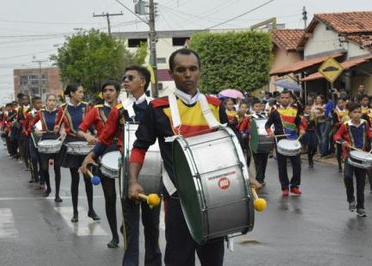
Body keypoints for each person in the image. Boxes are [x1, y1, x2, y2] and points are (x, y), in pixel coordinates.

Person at [127, 48, 250, 266]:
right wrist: (133, 181)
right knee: (178, 260)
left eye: (193, 69)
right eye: (181, 70)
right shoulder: (158, 108)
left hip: (215, 197)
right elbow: (140, 146)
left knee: (213, 260)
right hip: (177, 200)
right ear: (172, 74)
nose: (187, 74)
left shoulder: (214, 105)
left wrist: (249, 178)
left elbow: (232, 148)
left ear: (200, 72)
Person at [81, 66, 162, 266]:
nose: (125, 81)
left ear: (142, 82)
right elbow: (105, 136)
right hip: (128, 171)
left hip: (154, 170)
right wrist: (90, 157)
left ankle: (153, 262)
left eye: (130, 78)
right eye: (124, 77)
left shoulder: (157, 106)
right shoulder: (120, 110)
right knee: (130, 225)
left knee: (152, 225)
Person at [78, 80, 121, 248]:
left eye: (111, 90)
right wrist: (87, 136)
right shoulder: (96, 110)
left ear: (117, 92)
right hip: (103, 153)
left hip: (123, 152)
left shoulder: (124, 109)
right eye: (105, 91)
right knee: (110, 197)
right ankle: (115, 236)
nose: (108, 93)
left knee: (127, 198)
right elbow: (81, 128)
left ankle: (125, 226)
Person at [55, 83, 100, 223]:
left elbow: (91, 124)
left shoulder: (86, 107)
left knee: (88, 178)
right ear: (72, 94)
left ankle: (91, 210)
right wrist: (57, 127)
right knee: (75, 179)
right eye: (80, 92)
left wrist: (94, 132)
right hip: (72, 145)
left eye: (82, 92)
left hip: (86, 144)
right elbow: (58, 125)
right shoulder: (62, 108)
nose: (82, 94)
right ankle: (75, 212)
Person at [334, 102, 372, 217]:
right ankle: (351, 199)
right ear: (350, 114)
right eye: (355, 112)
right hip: (349, 156)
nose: (357, 114)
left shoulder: (365, 124)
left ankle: (360, 207)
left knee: (361, 184)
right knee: (347, 177)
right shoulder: (345, 125)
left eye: (359, 112)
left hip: (362, 157)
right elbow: (336, 136)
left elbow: (370, 135)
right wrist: (343, 141)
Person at [265, 89, 305, 196]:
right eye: (282, 98)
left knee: (297, 165)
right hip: (280, 141)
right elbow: (267, 125)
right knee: (282, 166)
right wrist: (270, 132)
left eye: (287, 98)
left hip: (293, 141)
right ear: (279, 99)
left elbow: (299, 124)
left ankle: (295, 186)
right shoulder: (275, 111)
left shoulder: (294, 110)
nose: (285, 100)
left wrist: (301, 129)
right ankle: (285, 187)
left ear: (290, 99)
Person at [30, 94, 63, 202]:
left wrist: (62, 130)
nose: (52, 102)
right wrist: (36, 130)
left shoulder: (60, 113)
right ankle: (48, 188)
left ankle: (57, 194)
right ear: (46, 102)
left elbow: (66, 126)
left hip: (56, 142)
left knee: (57, 169)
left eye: (54, 100)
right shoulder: (41, 113)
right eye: (50, 100)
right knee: (44, 169)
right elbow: (31, 124)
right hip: (44, 141)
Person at [239, 98, 270, 186]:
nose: (258, 108)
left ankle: (261, 178)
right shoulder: (249, 117)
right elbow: (241, 129)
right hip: (254, 141)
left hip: (265, 141)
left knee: (264, 160)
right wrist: (248, 133)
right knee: (257, 160)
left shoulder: (265, 116)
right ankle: (259, 179)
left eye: (260, 106)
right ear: (252, 108)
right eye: (256, 106)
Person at [331, 97, 348, 172]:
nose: (341, 104)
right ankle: (339, 166)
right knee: (339, 149)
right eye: (339, 103)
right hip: (338, 131)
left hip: (347, 132)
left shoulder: (347, 111)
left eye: (342, 102)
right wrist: (342, 122)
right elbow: (335, 124)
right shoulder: (335, 112)